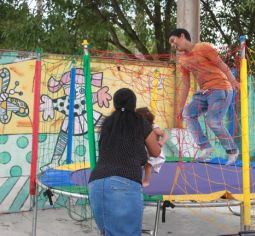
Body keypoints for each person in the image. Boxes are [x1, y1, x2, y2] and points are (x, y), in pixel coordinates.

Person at [88, 88, 161, 236]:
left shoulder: (107, 123)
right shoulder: (140, 121)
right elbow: (156, 152)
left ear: (114, 104)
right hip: (123, 182)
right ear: (134, 105)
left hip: (96, 182)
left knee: (107, 232)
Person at [168, 28, 240, 165]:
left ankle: (232, 150)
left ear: (182, 36)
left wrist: (233, 81)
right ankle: (205, 147)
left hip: (220, 88)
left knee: (212, 121)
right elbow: (186, 85)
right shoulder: (183, 60)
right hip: (204, 92)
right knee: (188, 113)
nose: (173, 45)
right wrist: (181, 107)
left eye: (173, 40)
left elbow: (222, 65)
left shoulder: (203, 47)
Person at [136, 107, 168, 187]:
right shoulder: (138, 127)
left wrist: (162, 141)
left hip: (153, 151)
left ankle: (146, 180)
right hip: (144, 151)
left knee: (148, 164)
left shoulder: (154, 128)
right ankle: (138, 179)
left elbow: (165, 134)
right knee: (139, 165)